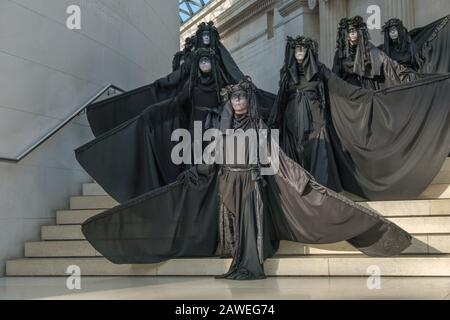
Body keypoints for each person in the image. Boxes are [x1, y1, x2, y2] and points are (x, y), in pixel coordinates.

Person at [81, 79, 413, 281]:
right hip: (228, 185)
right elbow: (209, 159)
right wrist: (195, 173)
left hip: (252, 186)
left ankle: (251, 262)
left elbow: (275, 159)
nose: (237, 102)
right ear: (230, 102)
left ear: (247, 101)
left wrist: (301, 181)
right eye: (234, 99)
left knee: (252, 228)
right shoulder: (222, 129)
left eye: (242, 98)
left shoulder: (258, 128)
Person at [269, 36, 341, 191]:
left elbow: (336, 85)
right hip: (293, 119)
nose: (299, 51)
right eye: (296, 48)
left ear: (308, 50)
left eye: (302, 48)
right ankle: (298, 186)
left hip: (316, 119)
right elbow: (281, 98)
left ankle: (321, 188)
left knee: (318, 150)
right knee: (296, 150)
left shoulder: (319, 69)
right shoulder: (287, 72)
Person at [332, 16, 419, 89]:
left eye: (355, 30)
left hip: (365, 90)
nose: (353, 33)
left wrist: (408, 76)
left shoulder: (368, 49)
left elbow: (387, 63)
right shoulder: (340, 54)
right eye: (350, 31)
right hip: (348, 91)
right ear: (345, 34)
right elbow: (335, 76)